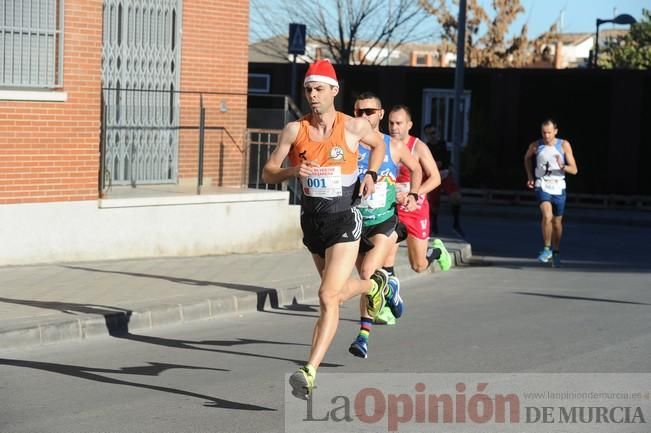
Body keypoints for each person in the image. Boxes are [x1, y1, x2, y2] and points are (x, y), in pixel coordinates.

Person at [261, 60, 400, 400]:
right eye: (308, 89)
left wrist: (370, 174)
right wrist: (294, 171)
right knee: (332, 299)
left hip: (344, 219)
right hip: (313, 223)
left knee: (326, 295)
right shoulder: (295, 130)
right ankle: (376, 282)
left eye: (319, 89)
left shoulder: (352, 127)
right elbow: (267, 172)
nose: (312, 95)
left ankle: (309, 370)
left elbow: (380, 145)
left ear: (334, 91)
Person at [348, 92, 423, 359]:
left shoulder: (393, 145)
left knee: (368, 273)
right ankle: (389, 287)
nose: (363, 116)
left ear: (380, 114)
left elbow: (417, 170)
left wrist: (413, 195)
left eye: (369, 111)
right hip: (356, 222)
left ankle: (363, 337)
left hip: (384, 222)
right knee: (368, 281)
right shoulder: (350, 144)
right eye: (358, 112)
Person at [383, 105, 452, 275]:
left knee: (418, 266)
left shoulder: (418, 147)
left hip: (415, 208)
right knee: (385, 259)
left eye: (399, 123)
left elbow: (435, 178)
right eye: (391, 123)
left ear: (409, 125)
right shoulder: (383, 144)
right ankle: (388, 298)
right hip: (391, 208)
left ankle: (436, 251)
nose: (394, 128)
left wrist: (414, 194)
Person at [524, 118, 578, 268]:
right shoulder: (536, 145)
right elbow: (526, 158)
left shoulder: (564, 145)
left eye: (549, 132)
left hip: (559, 187)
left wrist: (563, 167)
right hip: (543, 185)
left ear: (555, 131)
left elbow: (574, 169)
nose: (546, 136)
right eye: (543, 132)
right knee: (547, 216)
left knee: (557, 223)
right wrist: (530, 176)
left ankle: (556, 251)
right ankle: (547, 249)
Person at [423, 124, 465, 238]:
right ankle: (434, 226)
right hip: (432, 175)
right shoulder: (425, 147)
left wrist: (445, 168)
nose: (434, 136)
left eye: (435, 133)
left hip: (444, 174)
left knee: (456, 197)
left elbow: (445, 162)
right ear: (426, 136)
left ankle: (456, 224)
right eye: (430, 133)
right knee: (433, 203)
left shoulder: (443, 144)